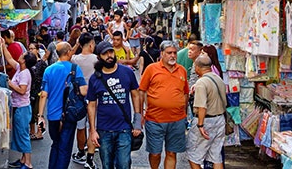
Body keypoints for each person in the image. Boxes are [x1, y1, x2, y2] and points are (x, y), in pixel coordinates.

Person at [87, 41, 142, 169]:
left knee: (124, 164)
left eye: (111, 52)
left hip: (124, 128)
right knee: (107, 165)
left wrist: (137, 122)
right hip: (104, 130)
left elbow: (135, 95)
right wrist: (93, 131)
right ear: (99, 57)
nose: (109, 56)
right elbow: (92, 105)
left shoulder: (127, 72)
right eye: (105, 53)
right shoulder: (95, 78)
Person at [139, 40, 189, 169]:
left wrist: (184, 113)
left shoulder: (182, 70)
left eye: (175, 53)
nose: (173, 56)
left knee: (172, 153)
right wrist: (140, 114)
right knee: (155, 153)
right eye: (169, 53)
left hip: (177, 120)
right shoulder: (151, 69)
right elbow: (141, 91)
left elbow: (185, 93)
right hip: (154, 119)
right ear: (162, 54)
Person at [38, 43, 88, 169]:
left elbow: (43, 95)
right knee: (65, 148)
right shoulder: (75, 69)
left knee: (56, 144)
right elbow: (83, 91)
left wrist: (40, 116)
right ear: (69, 52)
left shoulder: (49, 70)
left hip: (52, 115)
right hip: (69, 113)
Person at [187, 55, 227, 169]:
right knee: (216, 157)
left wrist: (200, 125)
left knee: (193, 156)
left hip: (206, 121)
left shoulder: (201, 82)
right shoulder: (218, 79)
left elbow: (202, 106)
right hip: (219, 120)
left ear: (197, 67)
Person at [2, 41, 37, 169]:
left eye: (23, 55)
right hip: (19, 107)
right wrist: (3, 46)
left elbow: (22, 90)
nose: (20, 55)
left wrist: (10, 84)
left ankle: (28, 163)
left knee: (23, 135)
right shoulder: (19, 68)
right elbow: (9, 59)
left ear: (24, 61)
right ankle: (23, 159)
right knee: (21, 134)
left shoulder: (24, 74)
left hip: (22, 108)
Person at [71, 34, 99, 169]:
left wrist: (76, 44)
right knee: (92, 127)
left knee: (80, 127)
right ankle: (90, 157)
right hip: (94, 97)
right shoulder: (96, 59)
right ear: (91, 44)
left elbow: (68, 54)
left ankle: (81, 152)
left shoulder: (74, 59)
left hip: (79, 97)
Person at [28, 43, 48, 140]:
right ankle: (32, 131)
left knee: (39, 113)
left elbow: (46, 77)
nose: (31, 50)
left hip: (39, 90)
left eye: (33, 48)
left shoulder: (42, 63)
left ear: (37, 50)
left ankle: (40, 132)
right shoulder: (28, 63)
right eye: (29, 49)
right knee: (31, 113)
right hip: (30, 90)